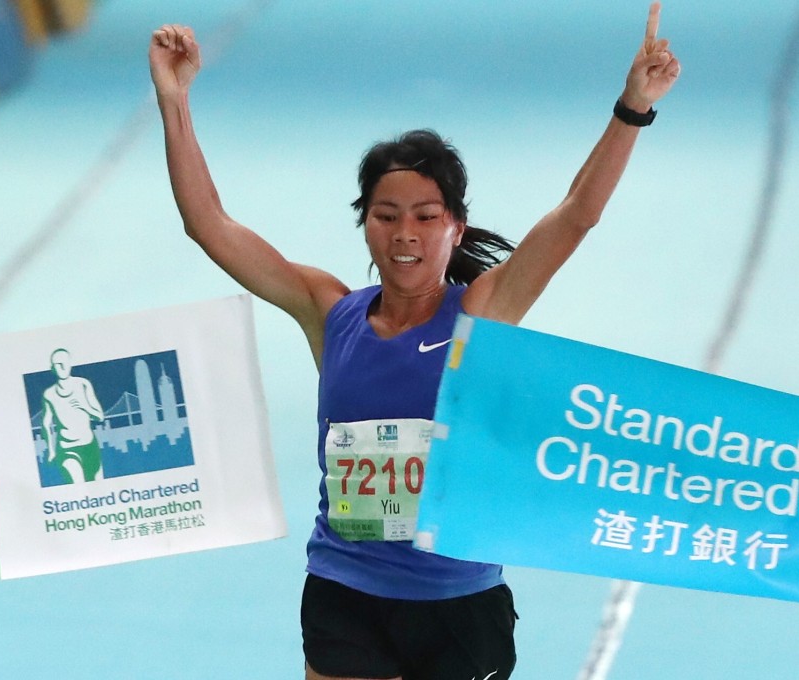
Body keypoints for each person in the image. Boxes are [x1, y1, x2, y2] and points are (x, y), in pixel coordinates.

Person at [149, 4, 680, 678]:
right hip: (345, 591)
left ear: (456, 228)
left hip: (455, 607)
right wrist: (174, 99)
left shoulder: (482, 313)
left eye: (427, 218)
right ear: (365, 225)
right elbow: (210, 226)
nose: (406, 234)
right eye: (387, 216)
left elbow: (577, 215)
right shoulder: (327, 310)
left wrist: (633, 109)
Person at [42, 348, 105, 483]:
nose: (63, 367)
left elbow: (100, 416)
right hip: (66, 449)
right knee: (79, 488)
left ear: (70, 363)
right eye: (58, 364)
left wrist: (85, 407)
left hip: (89, 445)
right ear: (52, 368)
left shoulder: (83, 384)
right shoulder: (49, 394)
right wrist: (51, 450)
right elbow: (46, 425)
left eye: (65, 362)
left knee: (99, 487)